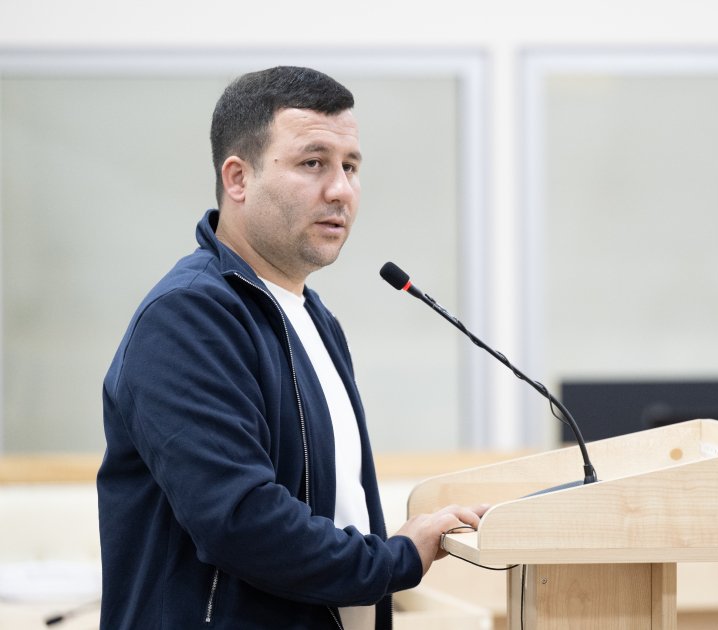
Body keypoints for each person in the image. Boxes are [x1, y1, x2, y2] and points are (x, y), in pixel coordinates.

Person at [97, 66, 487, 630]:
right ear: (238, 178)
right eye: (313, 163)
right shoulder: (188, 316)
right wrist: (395, 558)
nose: (341, 190)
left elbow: (332, 503)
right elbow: (242, 520)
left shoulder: (312, 316)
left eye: (350, 166)